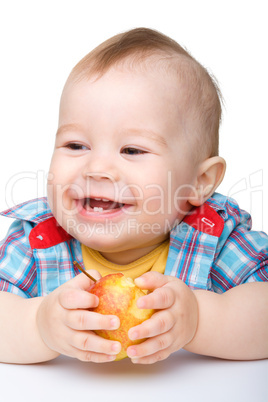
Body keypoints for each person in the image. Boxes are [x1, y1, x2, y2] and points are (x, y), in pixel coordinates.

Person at [0, 28, 267, 365]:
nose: (96, 167)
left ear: (199, 183)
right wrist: (37, 325)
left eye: (132, 149)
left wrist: (200, 319)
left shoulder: (216, 238)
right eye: (75, 145)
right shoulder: (36, 240)